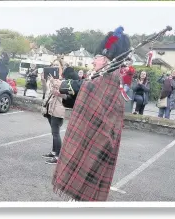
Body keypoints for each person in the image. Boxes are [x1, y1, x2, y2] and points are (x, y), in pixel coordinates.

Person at [52, 26, 130, 201]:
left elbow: (86, 88)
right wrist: (64, 92)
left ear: (107, 59)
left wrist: (63, 85)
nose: (93, 62)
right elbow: (82, 97)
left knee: (85, 196)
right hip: (92, 138)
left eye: (97, 58)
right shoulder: (100, 77)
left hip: (99, 142)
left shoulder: (109, 79)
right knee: (79, 196)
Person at [41, 64, 66, 165]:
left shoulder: (63, 82)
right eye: (53, 66)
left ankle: (58, 156)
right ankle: (53, 152)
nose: (54, 68)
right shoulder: (51, 81)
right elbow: (45, 91)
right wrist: (43, 80)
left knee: (56, 133)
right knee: (53, 133)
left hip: (58, 110)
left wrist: (52, 81)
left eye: (57, 67)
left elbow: (64, 95)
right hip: (50, 109)